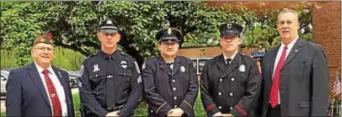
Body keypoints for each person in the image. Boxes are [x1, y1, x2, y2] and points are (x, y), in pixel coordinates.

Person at [259, 8, 329, 116]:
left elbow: (320, 94)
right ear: (277, 26)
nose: (285, 26)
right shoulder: (269, 55)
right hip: (270, 112)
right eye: (281, 23)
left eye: (289, 22)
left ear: (297, 25)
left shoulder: (313, 51)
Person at [78, 19, 142, 117]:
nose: (109, 37)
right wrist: (104, 114)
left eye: (112, 34)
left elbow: (137, 91)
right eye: (106, 34)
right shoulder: (89, 63)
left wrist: (122, 113)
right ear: (99, 36)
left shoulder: (130, 62)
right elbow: (85, 93)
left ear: (118, 37)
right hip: (96, 114)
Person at [6, 33, 75, 116]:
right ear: (33, 52)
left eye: (49, 49)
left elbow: (69, 107)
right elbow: (14, 111)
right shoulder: (18, 76)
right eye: (41, 48)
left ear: (53, 54)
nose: (46, 52)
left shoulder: (63, 75)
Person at [200, 23, 261, 117]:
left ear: (239, 40)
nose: (228, 40)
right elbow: (205, 92)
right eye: (225, 38)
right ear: (220, 41)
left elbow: (252, 92)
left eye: (232, 37)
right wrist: (215, 113)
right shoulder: (210, 65)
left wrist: (235, 114)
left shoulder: (250, 64)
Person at [142, 27, 198, 117]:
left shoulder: (188, 63)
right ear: (159, 45)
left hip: (184, 114)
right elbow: (148, 91)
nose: (170, 46)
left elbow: (193, 89)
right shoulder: (150, 64)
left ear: (178, 45)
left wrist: (182, 109)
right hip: (159, 114)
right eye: (166, 43)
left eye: (173, 43)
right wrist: (167, 111)